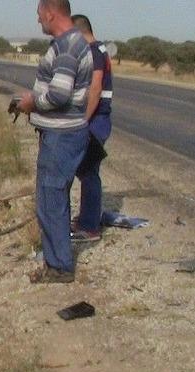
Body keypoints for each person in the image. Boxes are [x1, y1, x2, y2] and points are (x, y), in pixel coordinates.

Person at [16, 0, 93, 283]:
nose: (38, 21)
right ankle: (56, 261)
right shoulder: (68, 43)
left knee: (51, 201)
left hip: (62, 138)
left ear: (50, 12)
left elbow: (59, 95)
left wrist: (30, 103)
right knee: (54, 199)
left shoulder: (68, 46)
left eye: (39, 15)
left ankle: (60, 266)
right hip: (63, 135)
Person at [71, 14, 113, 242]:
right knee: (87, 170)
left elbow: (95, 89)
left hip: (96, 119)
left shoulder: (94, 52)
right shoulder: (100, 50)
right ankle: (87, 218)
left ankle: (90, 227)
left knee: (88, 171)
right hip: (97, 119)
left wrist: (82, 120)